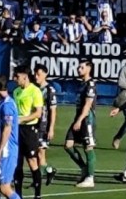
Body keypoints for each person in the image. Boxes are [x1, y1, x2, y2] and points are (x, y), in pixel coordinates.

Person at [12, 67, 46, 199]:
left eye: (17, 76)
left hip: (30, 130)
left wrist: (22, 119)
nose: (15, 79)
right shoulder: (16, 92)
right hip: (17, 130)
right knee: (17, 163)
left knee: (32, 161)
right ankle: (18, 196)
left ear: (25, 77)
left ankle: (37, 195)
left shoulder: (35, 91)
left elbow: (38, 113)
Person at [65, 59, 98, 188]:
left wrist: (79, 120)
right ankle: (84, 168)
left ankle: (90, 178)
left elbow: (88, 105)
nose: (79, 69)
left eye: (81, 67)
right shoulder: (82, 84)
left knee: (88, 147)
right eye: (78, 67)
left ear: (89, 69)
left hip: (87, 119)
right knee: (68, 145)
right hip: (78, 117)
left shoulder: (90, 84)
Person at [34, 64, 59, 185]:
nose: (36, 76)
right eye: (35, 74)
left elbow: (53, 110)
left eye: (38, 74)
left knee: (40, 152)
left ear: (45, 74)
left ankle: (47, 172)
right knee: (34, 152)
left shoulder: (50, 90)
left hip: (43, 126)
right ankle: (41, 175)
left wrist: (51, 128)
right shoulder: (34, 88)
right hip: (33, 124)